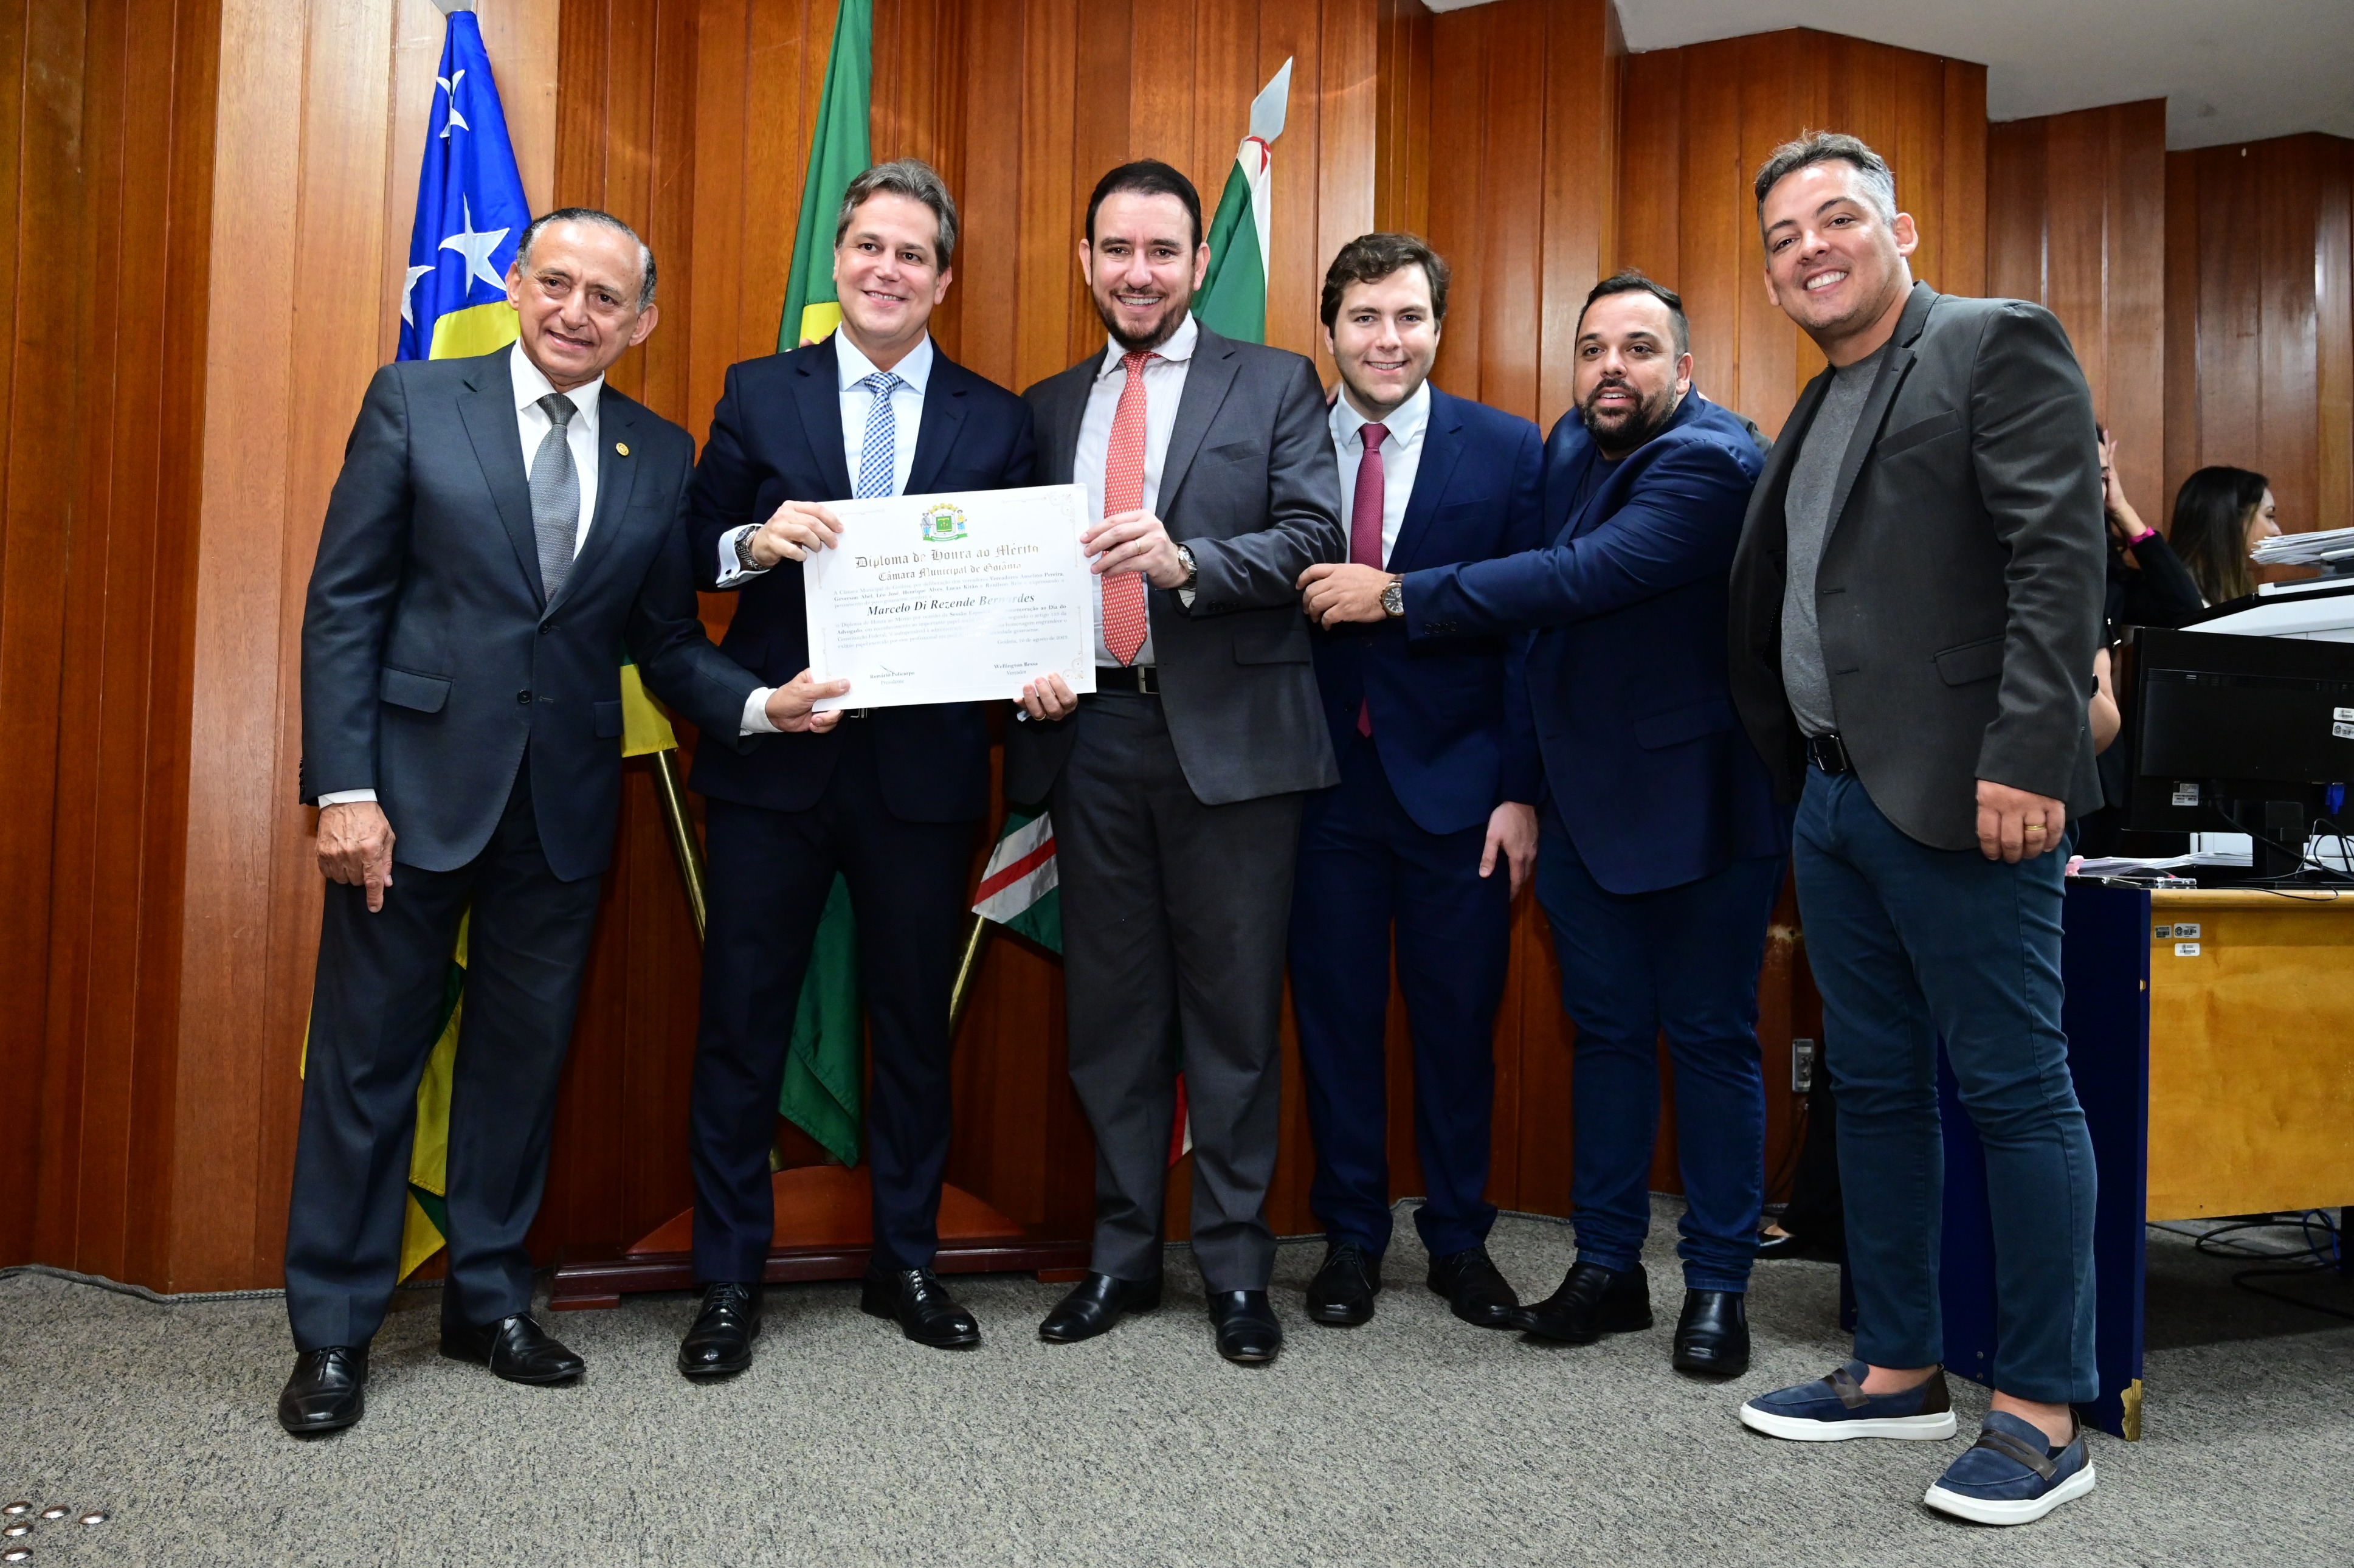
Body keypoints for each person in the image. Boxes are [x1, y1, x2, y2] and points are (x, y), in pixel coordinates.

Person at [284, 209, 782, 1435]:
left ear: (641, 322)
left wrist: (759, 705)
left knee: (519, 1064)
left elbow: (664, 640)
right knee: (367, 1064)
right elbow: (344, 603)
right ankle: (334, 1329)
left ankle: (488, 1299)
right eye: (556, 282)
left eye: (606, 297)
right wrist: (343, 788)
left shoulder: (656, 452)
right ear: (516, 282)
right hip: (405, 799)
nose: (575, 311)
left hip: (560, 808)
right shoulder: (414, 400)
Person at [1726, 131, 2105, 1527]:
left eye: (1835, 219)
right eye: (1782, 237)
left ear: (1900, 229)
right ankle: (1898, 1367)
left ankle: (2043, 1411)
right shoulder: (1819, 397)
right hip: (1833, 800)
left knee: (2015, 1091)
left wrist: (2028, 754)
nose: (1808, 249)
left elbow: (2057, 558)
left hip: (1969, 792)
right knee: (1874, 1091)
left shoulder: (1992, 343)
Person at [674, 160, 1037, 1374]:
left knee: (913, 1030)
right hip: (776, 760)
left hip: (923, 777)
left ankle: (908, 1260)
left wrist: (1036, 666)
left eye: (912, 254)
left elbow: (1016, 587)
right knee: (740, 1025)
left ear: (944, 279)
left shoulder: (999, 418)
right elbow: (690, 549)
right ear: (837, 261)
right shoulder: (756, 390)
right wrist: (752, 539)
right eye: (869, 246)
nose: (888, 269)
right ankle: (730, 1276)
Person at [1392, 271, 1785, 1378]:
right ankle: (1609, 1267)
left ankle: (1718, 1283)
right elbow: (1537, 639)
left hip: (1705, 805)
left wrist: (1399, 593)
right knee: (1605, 1038)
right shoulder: (1572, 443)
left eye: (1639, 348)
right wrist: (1521, 786)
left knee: (1709, 1039)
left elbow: (1582, 576)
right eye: (1593, 347)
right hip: (1579, 808)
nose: (1613, 367)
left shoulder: (1712, 461)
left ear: (1684, 368)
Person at [1006, 159, 1344, 1366]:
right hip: (1090, 735)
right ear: (1085, 261)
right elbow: (1013, 574)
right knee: (1111, 1013)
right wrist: (1023, 662)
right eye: (1116, 250)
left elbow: (1315, 535)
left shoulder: (1277, 381)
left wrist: (1187, 560)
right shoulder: (1046, 405)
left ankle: (1238, 1266)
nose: (1137, 273)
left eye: (1161, 251)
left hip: (1235, 743)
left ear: (1200, 263)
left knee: (1235, 1017)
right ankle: (1121, 1254)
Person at [1284, 233, 1542, 1331]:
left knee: (1456, 1024)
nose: (1386, 340)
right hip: (1316, 788)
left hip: (1461, 793)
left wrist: (1521, 789)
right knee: (1335, 1021)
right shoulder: (1282, 439)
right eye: (1364, 318)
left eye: (1409, 317)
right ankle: (1351, 1236)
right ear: (1330, 329)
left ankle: (1459, 1239)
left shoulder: (1508, 448)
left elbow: (1530, 627)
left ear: (1439, 326)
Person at [2168, 465, 2277, 606]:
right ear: (2231, 520)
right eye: (2269, 516)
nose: (2277, 531)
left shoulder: (2231, 590)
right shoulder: (2180, 600)